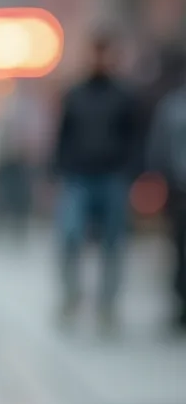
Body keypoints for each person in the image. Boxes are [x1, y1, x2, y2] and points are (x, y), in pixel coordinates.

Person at [52, 34, 141, 329]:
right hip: (79, 176)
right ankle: (71, 296)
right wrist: (59, 170)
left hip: (113, 177)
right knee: (70, 237)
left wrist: (131, 170)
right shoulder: (74, 94)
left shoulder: (124, 96)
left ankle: (107, 305)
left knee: (112, 244)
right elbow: (62, 136)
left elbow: (135, 138)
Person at [145, 46, 186, 331]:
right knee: (180, 249)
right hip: (179, 189)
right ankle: (181, 303)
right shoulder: (172, 106)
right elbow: (159, 148)